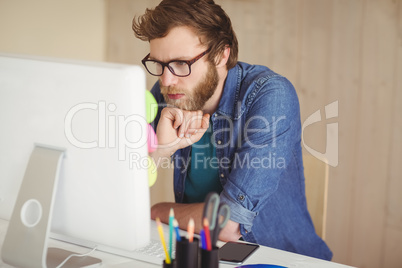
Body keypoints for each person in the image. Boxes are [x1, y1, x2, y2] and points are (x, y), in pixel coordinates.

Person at [132, 0, 332, 260]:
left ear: (221, 55)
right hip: (205, 253)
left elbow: (229, 224)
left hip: (277, 259)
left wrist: (159, 211)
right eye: (158, 64)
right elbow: (124, 185)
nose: (166, 80)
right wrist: (161, 151)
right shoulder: (168, 92)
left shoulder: (270, 94)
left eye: (181, 63)